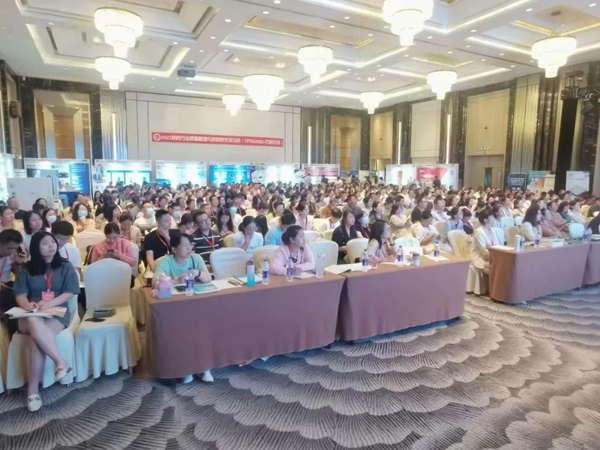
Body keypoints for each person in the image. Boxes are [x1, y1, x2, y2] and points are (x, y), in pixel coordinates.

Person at [13, 231, 80, 412]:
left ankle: (33, 391)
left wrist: (49, 303)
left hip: (56, 312)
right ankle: (60, 362)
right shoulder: (26, 268)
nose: (51, 246)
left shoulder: (65, 266)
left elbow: (70, 292)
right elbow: (20, 294)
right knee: (33, 321)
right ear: (36, 248)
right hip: (30, 313)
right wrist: (27, 305)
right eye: (45, 243)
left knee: (37, 340)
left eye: (52, 242)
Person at [151, 231, 213, 384]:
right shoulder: (167, 262)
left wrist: (197, 273)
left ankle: (204, 367)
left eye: (190, 244)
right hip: (176, 308)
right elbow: (155, 282)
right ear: (174, 249)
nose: (189, 248)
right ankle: (186, 368)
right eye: (184, 245)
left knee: (204, 327)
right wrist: (176, 280)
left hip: (197, 304)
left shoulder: (196, 258)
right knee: (184, 331)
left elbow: (208, 278)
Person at [0, 230, 26, 336]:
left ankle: (14, 335)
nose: (12, 251)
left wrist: (18, 263)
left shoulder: (13, 255)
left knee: (18, 296)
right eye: (9, 248)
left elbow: (19, 276)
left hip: (6, 285)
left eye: (15, 248)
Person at [470, 209, 497, 274]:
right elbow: (484, 251)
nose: (494, 219)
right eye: (491, 217)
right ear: (485, 220)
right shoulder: (479, 232)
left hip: (491, 255)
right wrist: (496, 258)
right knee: (498, 266)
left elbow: (496, 245)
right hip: (480, 258)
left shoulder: (491, 230)